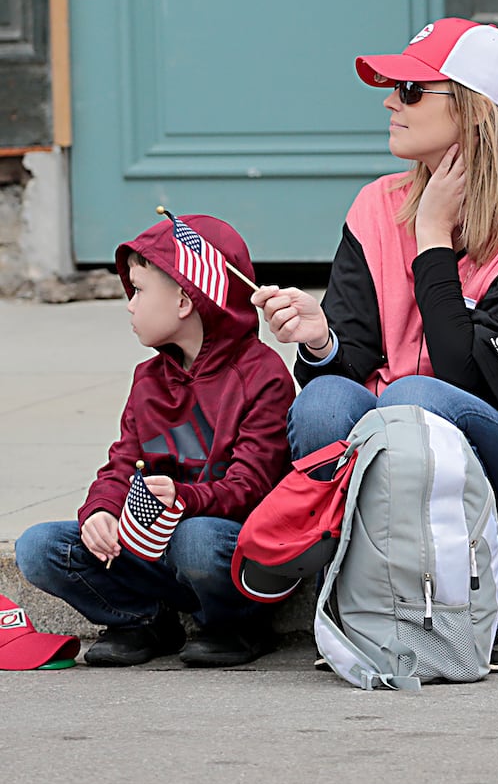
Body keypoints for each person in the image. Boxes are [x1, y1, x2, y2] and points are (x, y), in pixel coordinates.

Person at [254, 18, 498, 674]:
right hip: (398, 464)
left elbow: (468, 385)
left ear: (472, 109)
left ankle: (495, 604)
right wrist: (320, 338)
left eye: (410, 89)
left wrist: (434, 236)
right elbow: (353, 365)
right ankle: (355, 595)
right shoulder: (374, 206)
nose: (389, 100)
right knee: (326, 401)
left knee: (416, 400)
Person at [16, 215, 294, 667]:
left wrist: (185, 497)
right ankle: (142, 620)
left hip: (231, 550)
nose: (129, 304)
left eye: (139, 290)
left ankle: (235, 624)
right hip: (157, 544)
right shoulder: (148, 380)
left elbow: (254, 486)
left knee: (197, 541)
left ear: (186, 299)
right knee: (40, 546)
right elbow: (122, 465)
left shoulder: (262, 377)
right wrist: (100, 511)